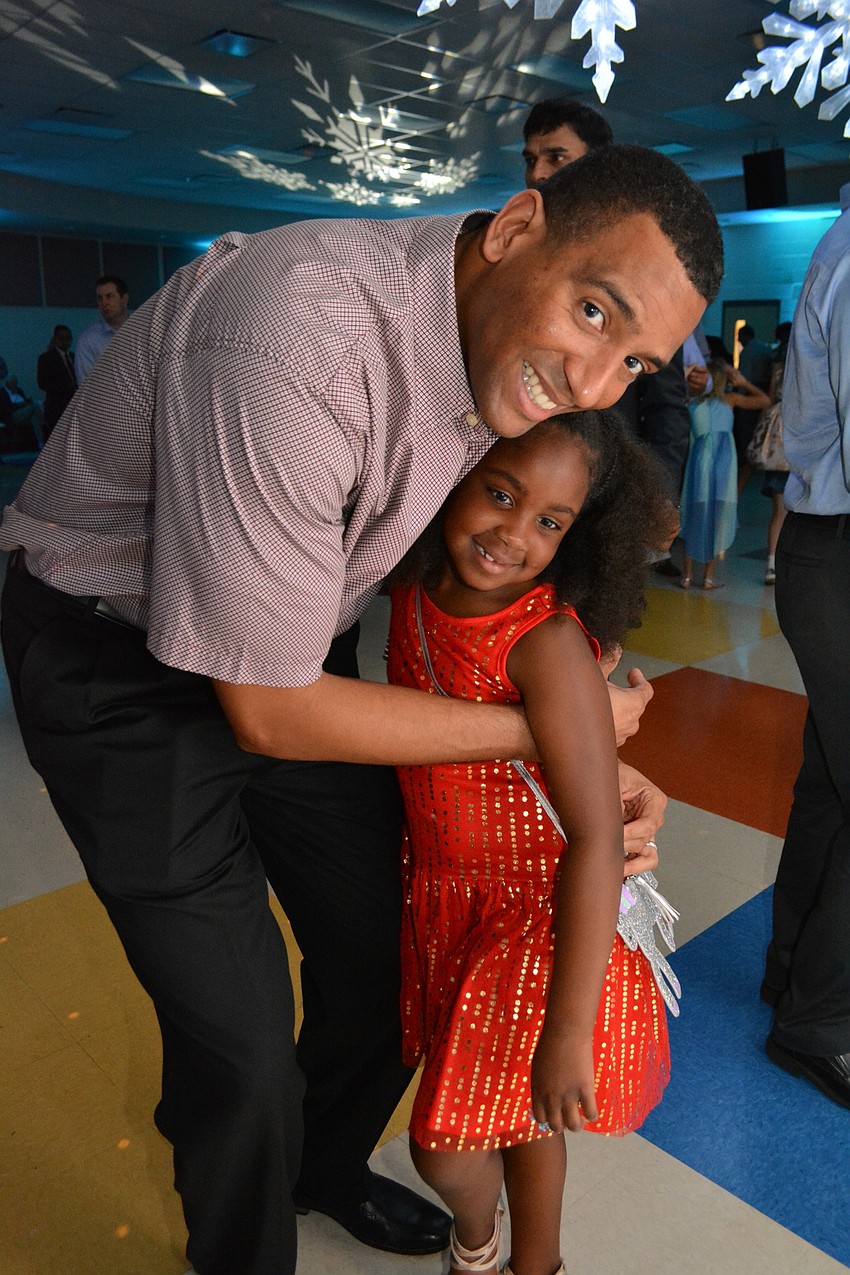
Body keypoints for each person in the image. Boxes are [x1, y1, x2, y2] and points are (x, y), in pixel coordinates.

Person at [0, 145, 722, 1275]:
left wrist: (585, 742)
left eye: (630, 359)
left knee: (386, 960)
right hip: (122, 670)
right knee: (238, 1054)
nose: (589, 383)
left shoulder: (501, 364)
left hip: (303, 647)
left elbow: (516, 564)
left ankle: (320, 1167)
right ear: (516, 226)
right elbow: (271, 713)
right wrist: (554, 741)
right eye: (593, 311)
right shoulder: (290, 344)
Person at [386, 414, 674, 1275]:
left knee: (444, 1142)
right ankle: (528, 1266)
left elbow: (590, 836)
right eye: (499, 493)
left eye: (549, 522)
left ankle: (476, 1244)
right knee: (512, 1114)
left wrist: (570, 1029)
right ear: (453, 470)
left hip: (533, 922)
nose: (512, 534)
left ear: (579, 536)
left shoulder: (543, 643)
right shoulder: (415, 584)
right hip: (449, 899)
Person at [762, 183, 850, 1109]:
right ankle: (820, 1019)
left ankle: (792, 976)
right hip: (838, 549)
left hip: (830, 547)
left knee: (832, 783)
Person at [522, 97, 691, 576]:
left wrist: (658, 497)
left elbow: (664, 405)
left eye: (556, 157)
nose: (538, 173)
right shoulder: (517, 255)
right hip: (514, 487)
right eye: (531, 159)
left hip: (598, 496)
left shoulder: (642, 273)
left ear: (597, 167)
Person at [679, 358, 769, 590]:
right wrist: (744, 382)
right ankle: (708, 578)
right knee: (717, 517)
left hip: (699, 462)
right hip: (723, 464)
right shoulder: (730, 400)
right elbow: (766, 400)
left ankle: (687, 576)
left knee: (695, 513)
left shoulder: (690, 403)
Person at [758, 322, 792, 585]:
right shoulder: (809, 368)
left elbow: (770, 400)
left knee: (778, 510)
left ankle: (771, 563)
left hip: (777, 444)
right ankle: (788, 564)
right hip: (796, 441)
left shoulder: (779, 368)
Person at [733, 323, 774, 494]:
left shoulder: (748, 351)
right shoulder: (765, 348)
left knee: (746, 430)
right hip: (763, 389)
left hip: (750, 391)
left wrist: (740, 391)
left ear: (745, 336)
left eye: (739, 337)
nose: (739, 340)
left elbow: (744, 375)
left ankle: (747, 460)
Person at [74, 274, 130, 381]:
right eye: (100, 298)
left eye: (109, 296)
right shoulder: (89, 340)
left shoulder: (142, 332)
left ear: (124, 299)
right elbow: (86, 387)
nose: (104, 303)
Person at [36, 325, 77, 441]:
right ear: (55, 339)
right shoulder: (46, 358)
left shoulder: (75, 357)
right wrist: (65, 387)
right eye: (61, 338)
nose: (65, 342)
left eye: (68, 339)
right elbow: (42, 383)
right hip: (56, 406)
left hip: (73, 405)